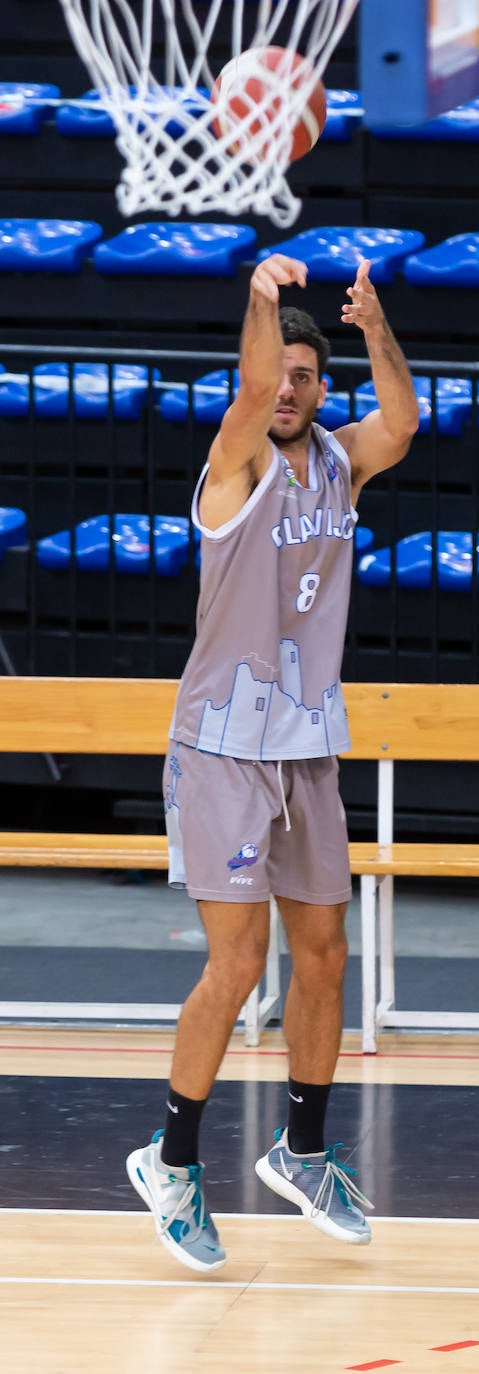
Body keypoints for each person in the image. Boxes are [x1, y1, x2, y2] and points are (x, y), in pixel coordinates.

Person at [126, 253, 419, 1273]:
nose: (288, 389)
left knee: (324, 955)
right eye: (276, 375)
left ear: (320, 387)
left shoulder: (338, 460)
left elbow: (403, 425)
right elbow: (249, 388)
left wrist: (374, 324)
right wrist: (258, 298)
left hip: (303, 752)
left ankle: (300, 1150)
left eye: (304, 375)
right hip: (219, 750)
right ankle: (170, 1160)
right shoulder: (233, 467)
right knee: (240, 963)